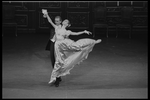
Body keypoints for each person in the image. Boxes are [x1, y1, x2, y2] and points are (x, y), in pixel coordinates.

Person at [42, 9, 102, 87]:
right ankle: (56, 77)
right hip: (56, 45)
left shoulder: (67, 31)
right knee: (57, 62)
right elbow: (50, 21)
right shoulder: (57, 27)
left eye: (66, 21)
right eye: (64, 20)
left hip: (63, 44)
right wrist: (46, 14)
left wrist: (84, 31)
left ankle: (93, 42)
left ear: (67, 24)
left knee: (77, 46)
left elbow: (76, 33)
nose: (65, 21)